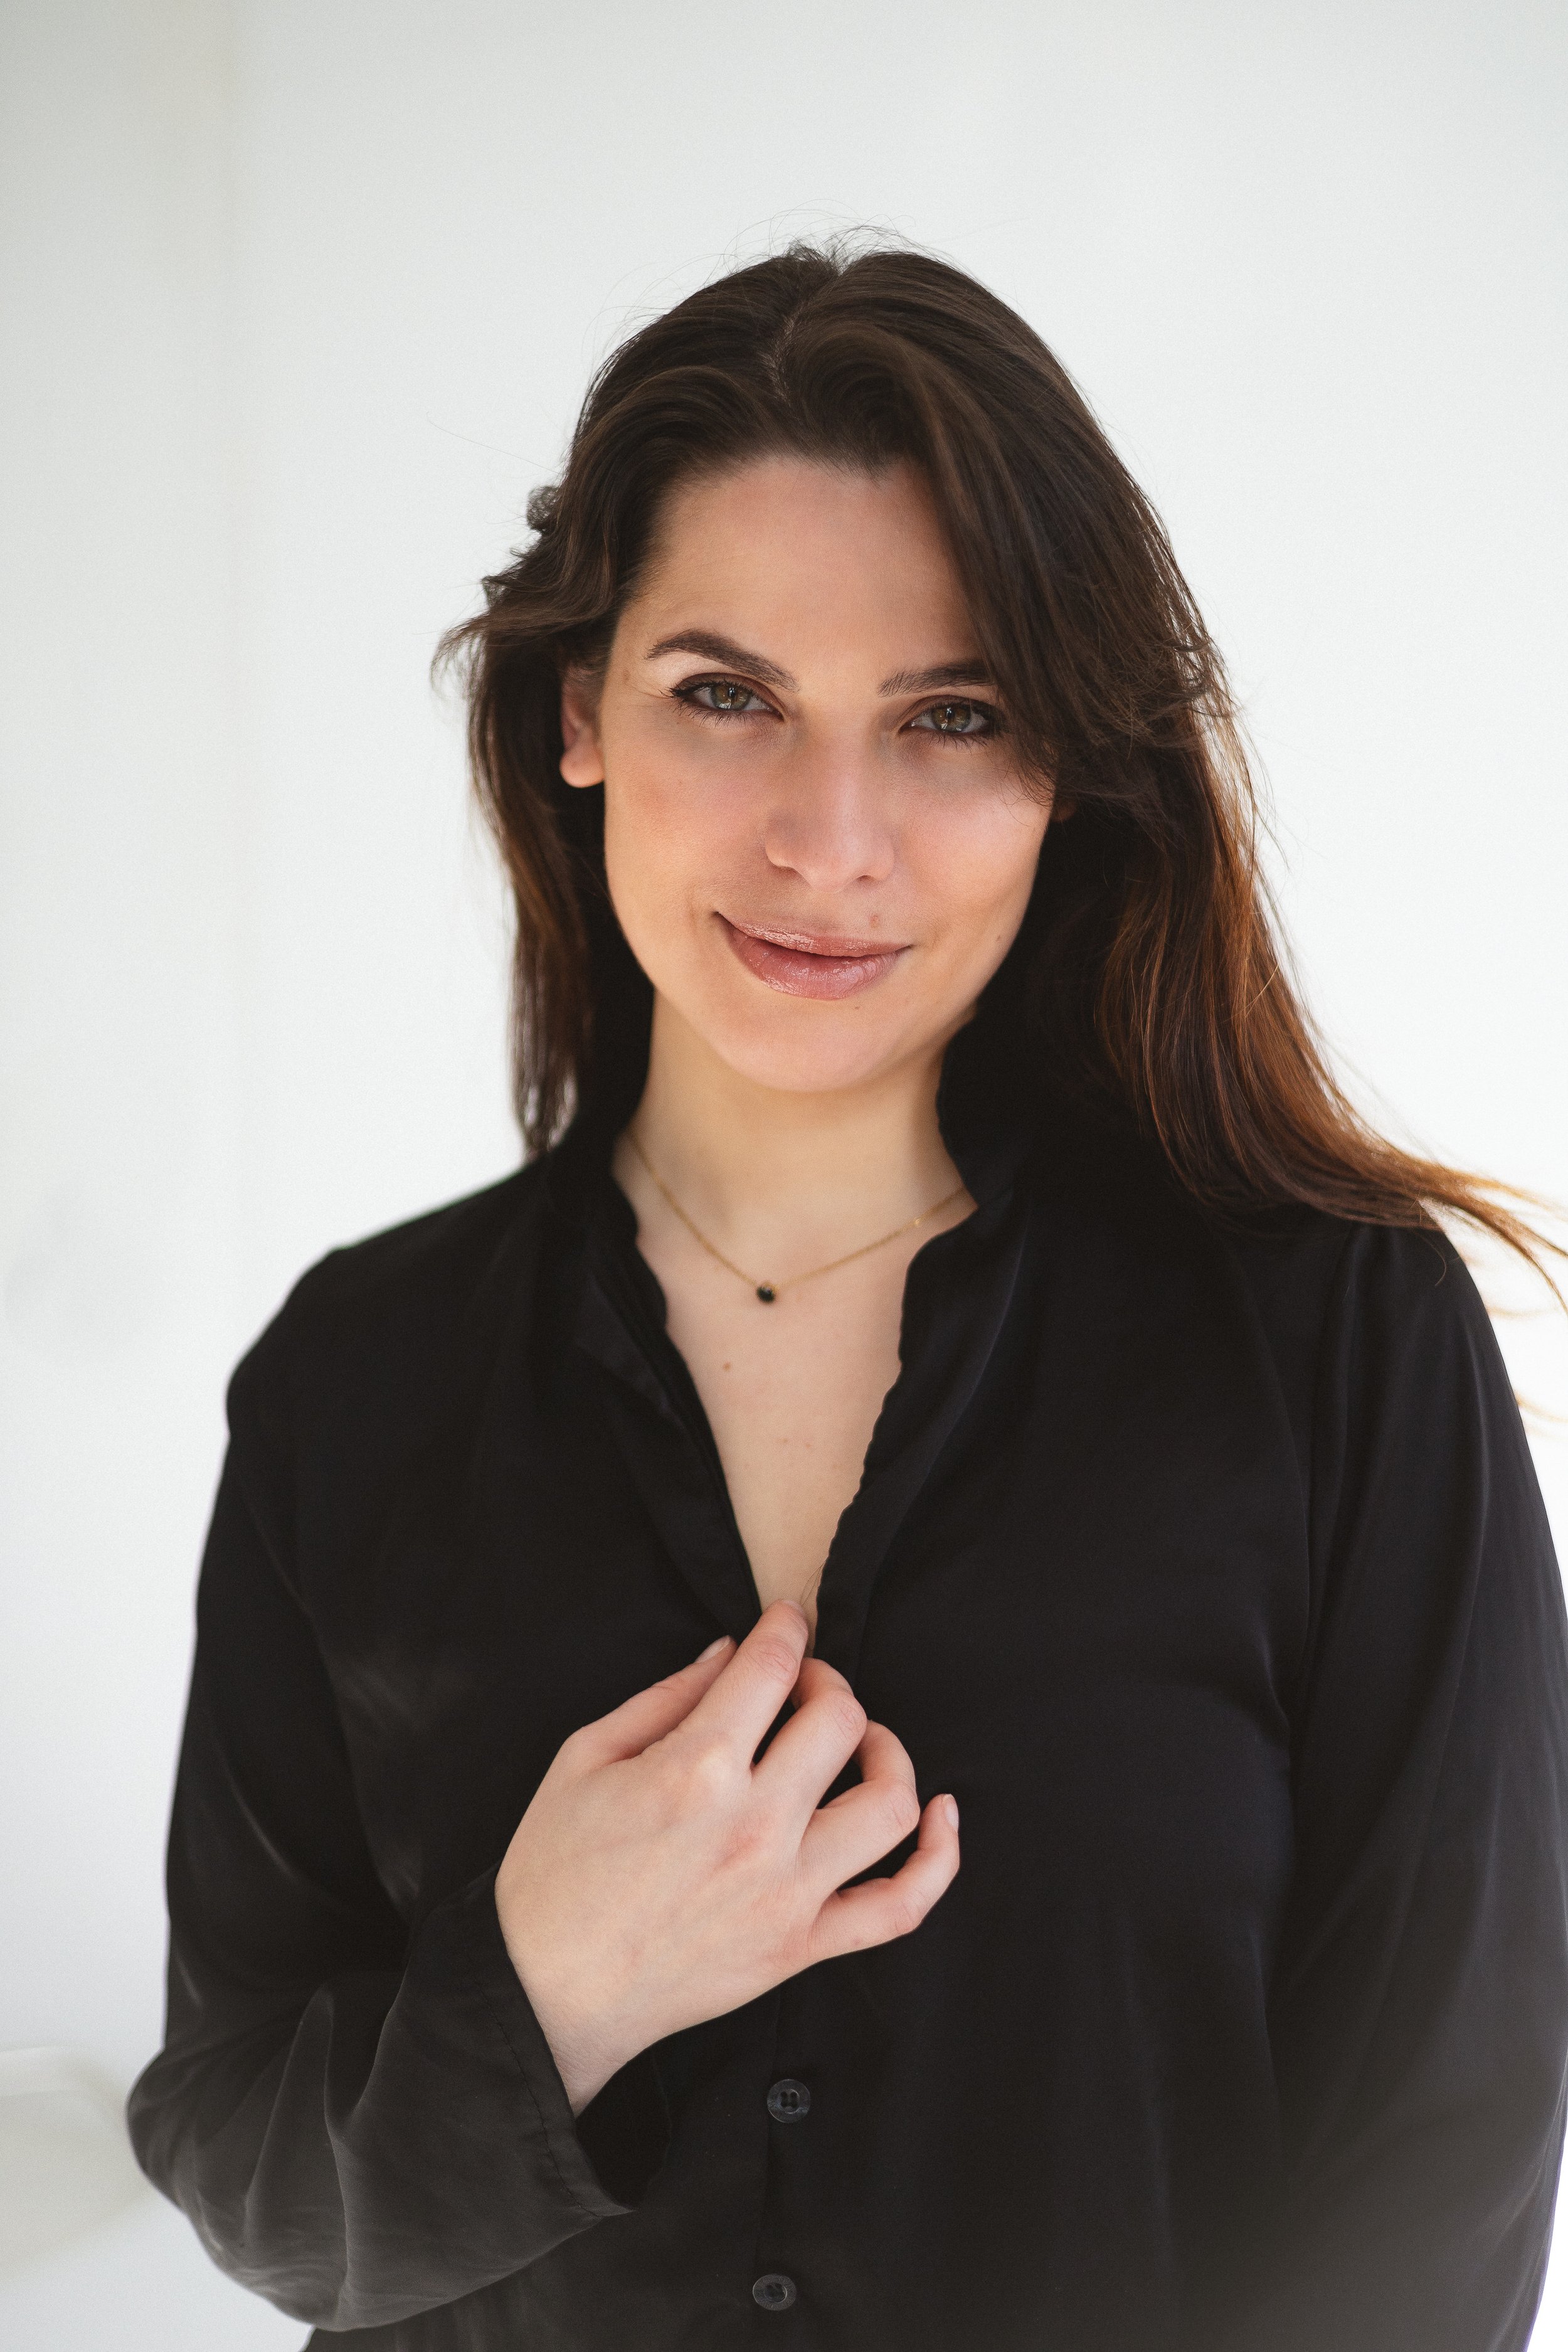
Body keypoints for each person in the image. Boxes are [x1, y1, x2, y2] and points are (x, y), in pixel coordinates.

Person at [127, 243, 1568, 2351]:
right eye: (727, 695)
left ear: (1067, 768)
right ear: (577, 712)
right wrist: (551, 1995)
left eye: (949, 717)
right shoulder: (356, 1376)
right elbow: (242, 2164)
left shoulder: (1338, 1346)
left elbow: (1438, 2170)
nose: (829, 840)